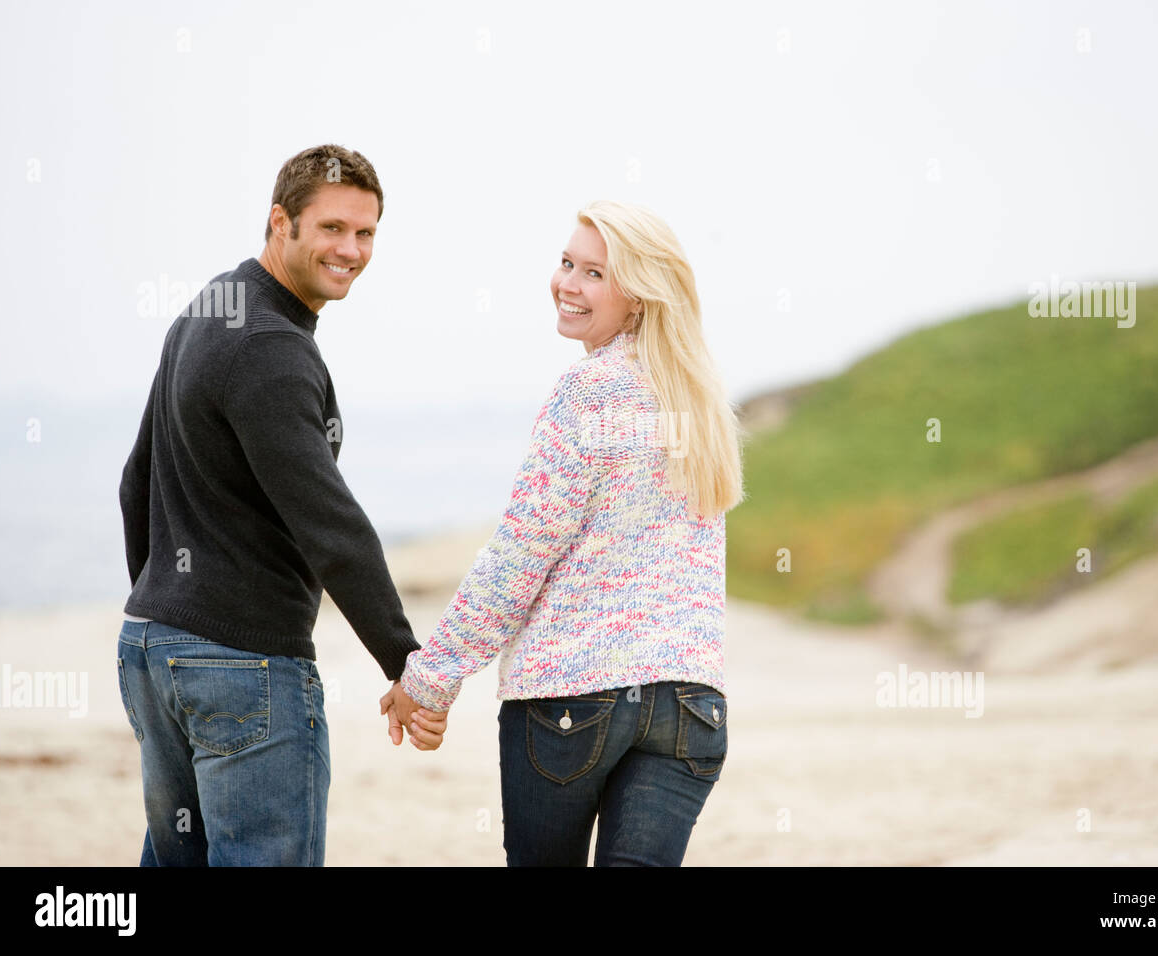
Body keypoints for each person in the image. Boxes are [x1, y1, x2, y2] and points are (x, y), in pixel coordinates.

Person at [381, 200, 744, 865]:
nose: (567, 284)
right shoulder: (700, 402)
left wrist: (431, 677)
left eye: (595, 274)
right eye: (567, 263)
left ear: (640, 298)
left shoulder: (589, 391)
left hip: (575, 699)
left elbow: (522, 552)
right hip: (690, 707)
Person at [116, 144, 446, 867]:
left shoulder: (213, 306)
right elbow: (332, 527)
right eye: (331, 228)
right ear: (280, 223)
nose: (351, 250)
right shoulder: (272, 348)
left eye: (366, 234)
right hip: (244, 661)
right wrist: (404, 664)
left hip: (151, 647)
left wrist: (169, 607)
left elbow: (133, 481)